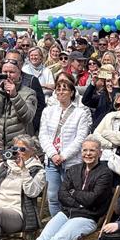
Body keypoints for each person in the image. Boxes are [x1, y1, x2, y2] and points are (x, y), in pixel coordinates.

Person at [0, 137, 113, 240]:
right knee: (42, 239)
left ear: (100, 153)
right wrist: (78, 198)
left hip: (87, 217)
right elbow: (62, 195)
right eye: (85, 150)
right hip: (66, 213)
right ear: (81, 152)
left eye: (92, 150)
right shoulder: (73, 170)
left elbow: (91, 200)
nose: (88, 154)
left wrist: (74, 194)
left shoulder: (105, 173)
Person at [38, 76, 92, 217]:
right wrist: (53, 154)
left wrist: (63, 156)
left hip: (71, 161)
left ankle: (68, 222)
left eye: (64, 89)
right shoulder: (48, 111)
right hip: (52, 160)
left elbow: (81, 138)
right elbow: (43, 135)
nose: (61, 92)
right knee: (53, 196)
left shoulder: (81, 113)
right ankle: (55, 221)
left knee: (69, 196)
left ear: (72, 92)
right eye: (58, 89)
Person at [0, 60, 37, 153]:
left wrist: (15, 96)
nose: (8, 75)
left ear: (19, 73)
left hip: (17, 147)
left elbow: (27, 118)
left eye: (12, 72)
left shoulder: (29, 93)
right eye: (5, 72)